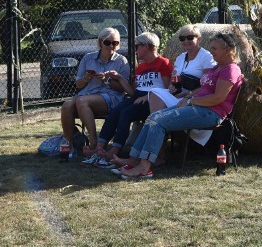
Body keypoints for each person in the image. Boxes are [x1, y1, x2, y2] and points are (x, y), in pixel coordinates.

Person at [118, 32, 244, 179]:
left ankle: (144, 168)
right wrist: (188, 95)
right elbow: (204, 90)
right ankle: (135, 159)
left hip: (211, 113)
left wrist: (191, 101)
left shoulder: (230, 69)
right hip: (198, 107)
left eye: (215, 49)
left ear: (227, 50)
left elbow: (218, 98)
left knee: (158, 122)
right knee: (152, 117)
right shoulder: (217, 67)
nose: (211, 51)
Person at [80, 32, 172, 167]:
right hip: (137, 98)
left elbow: (167, 89)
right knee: (115, 112)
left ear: (145, 47)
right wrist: (119, 77)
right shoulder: (141, 67)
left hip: (153, 100)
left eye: (137, 46)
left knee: (126, 113)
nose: (135, 50)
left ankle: (115, 149)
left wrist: (147, 97)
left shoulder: (163, 63)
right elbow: (132, 92)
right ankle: (99, 147)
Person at [59, 27, 130, 158]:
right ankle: (70, 145)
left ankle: (94, 143)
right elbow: (78, 84)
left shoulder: (122, 61)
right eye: (108, 43)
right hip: (86, 94)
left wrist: (106, 80)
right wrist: (87, 77)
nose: (112, 46)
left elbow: (123, 88)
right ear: (100, 42)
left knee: (82, 101)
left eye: (115, 43)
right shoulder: (88, 58)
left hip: (110, 96)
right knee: (67, 105)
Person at [147, 24, 214, 112]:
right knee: (154, 92)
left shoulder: (206, 57)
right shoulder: (180, 58)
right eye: (182, 38)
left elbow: (208, 85)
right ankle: (156, 120)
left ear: (199, 39)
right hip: (177, 95)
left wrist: (188, 94)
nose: (186, 41)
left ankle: (157, 121)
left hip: (193, 97)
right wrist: (171, 87)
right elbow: (173, 80)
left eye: (190, 37)